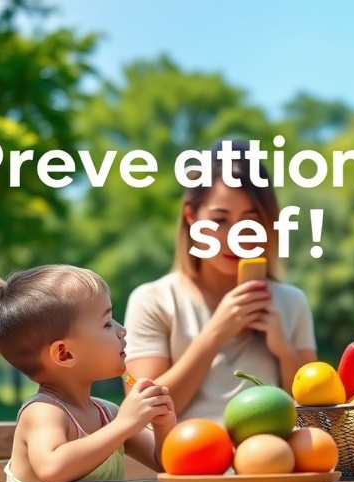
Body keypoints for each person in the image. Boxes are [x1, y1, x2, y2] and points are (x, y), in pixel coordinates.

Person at [123, 138, 318, 422]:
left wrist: (284, 351)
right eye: (219, 220)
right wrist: (215, 334)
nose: (236, 236)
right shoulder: (154, 300)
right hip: (185, 460)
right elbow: (141, 415)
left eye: (250, 221)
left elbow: (314, 415)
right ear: (191, 216)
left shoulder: (291, 301)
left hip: (272, 462)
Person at [0, 264, 175, 482]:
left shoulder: (108, 413)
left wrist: (162, 424)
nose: (122, 329)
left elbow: (165, 462)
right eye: (107, 323)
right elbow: (53, 468)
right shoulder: (42, 412)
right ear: (64, 354)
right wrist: (124, 424)